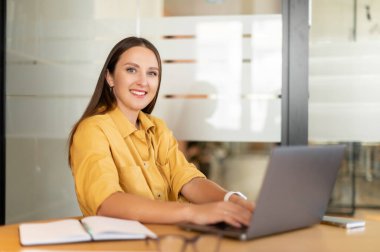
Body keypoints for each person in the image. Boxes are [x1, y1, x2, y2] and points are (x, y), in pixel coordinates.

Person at [68, 36, 254, 228]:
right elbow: (107, 203)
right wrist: (193, 213)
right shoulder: (92, 130)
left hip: (165, 239)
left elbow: (187, 179)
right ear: (110, 77)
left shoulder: (158, 128)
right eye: (131, 70)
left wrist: (233, 200)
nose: (143, 81)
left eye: (152, 73)